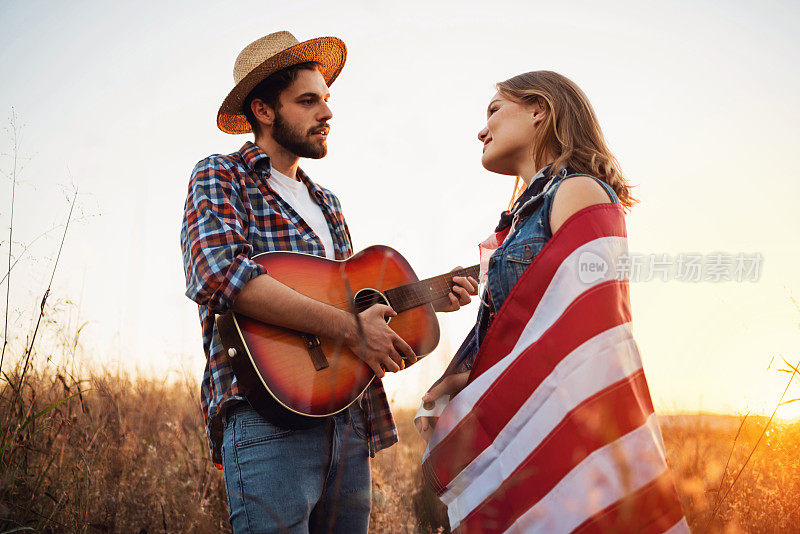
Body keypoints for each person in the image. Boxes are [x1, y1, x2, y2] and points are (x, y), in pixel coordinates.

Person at [180, 31, 477, 533]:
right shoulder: (221, 175)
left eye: (327, 100)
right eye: (308, 100)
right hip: (265, 416)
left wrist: (424, 301)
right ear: (264, 111)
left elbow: (349, 303)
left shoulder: (327, 204)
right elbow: (222, 274)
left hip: (348, 419)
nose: (327, 113)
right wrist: (349, 327)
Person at [416, 70, 636, 439]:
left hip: (560, 425)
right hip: (520, 419)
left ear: (539, 110)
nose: (482, 131)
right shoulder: (521, 219)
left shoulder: (577, 190)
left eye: (494, 110)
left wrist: (474, 378)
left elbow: (593, 322)